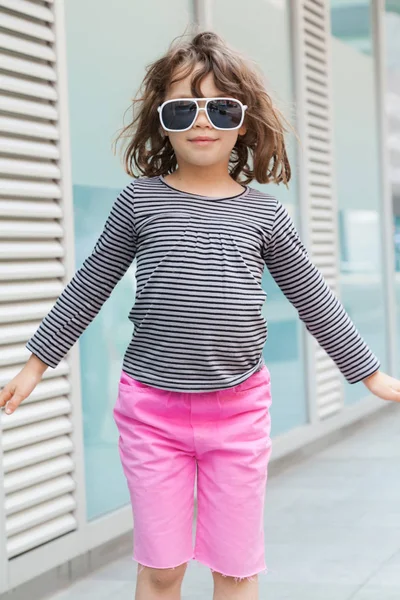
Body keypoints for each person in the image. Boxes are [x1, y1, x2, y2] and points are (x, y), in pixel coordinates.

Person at [1, 30, 400, 600]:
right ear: (163, 119)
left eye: (220, 106)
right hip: (151, 411)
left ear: (243, 120)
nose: (201, 120)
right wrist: (34, 367)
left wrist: (370, 373)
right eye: (183, 106)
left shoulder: (265, 213)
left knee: (236, 570)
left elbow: (314, 297)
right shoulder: (139, 202)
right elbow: (89, 286)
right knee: (162, 570)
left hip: (238, 413)